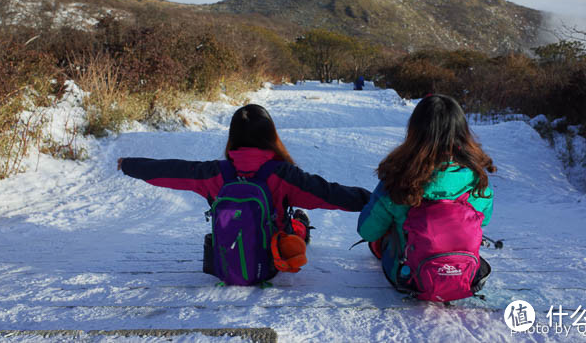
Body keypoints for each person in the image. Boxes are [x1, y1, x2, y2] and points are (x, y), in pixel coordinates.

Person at [118, 104, 371, 280]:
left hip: (226, 260)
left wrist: (130, 165)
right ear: (271, 136)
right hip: (274, 259)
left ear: (232, 137)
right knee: (297, 223)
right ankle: (300, 224)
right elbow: (329, 194)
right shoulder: (283, 174)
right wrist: (373, 199)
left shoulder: (215, 173)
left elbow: (172, 170)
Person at [357, 94, 495, 296]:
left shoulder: (399, 178)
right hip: (465, 274)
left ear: (414, 132)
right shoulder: (476, 177)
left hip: (410, 278)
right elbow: (484, 221)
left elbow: (367, 231)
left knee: (383, 236)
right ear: (462, 131)